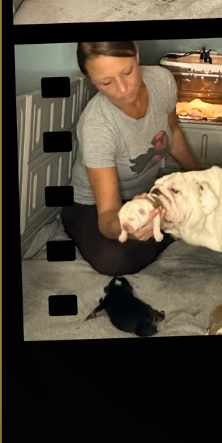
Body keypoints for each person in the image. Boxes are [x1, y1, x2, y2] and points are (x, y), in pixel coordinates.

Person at [61, 42, 200, 276]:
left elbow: (173, 131)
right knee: (114, 260)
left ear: (136, 53)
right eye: (106, 82)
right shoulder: (98, 125)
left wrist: (199, 177)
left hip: (145, 194)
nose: (124, 89)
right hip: (91, 206)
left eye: (127, 72)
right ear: (91, 80)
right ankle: (167, 232)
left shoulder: (162, 80)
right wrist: (127, 226)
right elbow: (107, 217)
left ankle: (165, 228)